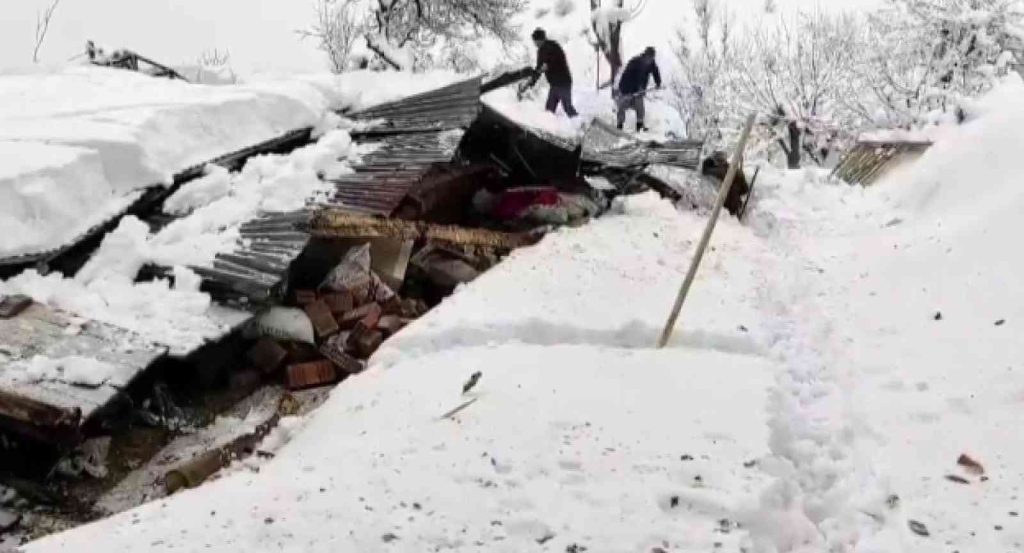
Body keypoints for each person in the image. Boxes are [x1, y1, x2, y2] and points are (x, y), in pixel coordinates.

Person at [519, 28, 578, 117]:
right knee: (549, 110)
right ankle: (549, 127)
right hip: (554, 85)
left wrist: (548, 65)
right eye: (534, 41)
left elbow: (558, 59)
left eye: (536, 41)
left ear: (541, 39)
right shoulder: (540, 51)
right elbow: (539, 69)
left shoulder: (553, 46)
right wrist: (530, 83)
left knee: (567, 107)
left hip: (563, 82)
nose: (535, 43)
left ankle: (580, 124)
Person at [616, 47, 662, 132]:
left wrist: (658, 82)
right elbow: (628, 76)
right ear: (645, 56)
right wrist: (632, 89)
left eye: (652, 59)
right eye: (649, 58)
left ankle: (639, 126)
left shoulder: (651, 64)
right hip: (626, 87)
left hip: (639, 90)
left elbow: (655, 71)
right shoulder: (635, 62)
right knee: (622, 106)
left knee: (640, 106)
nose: (650, 61)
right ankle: (619, 126)